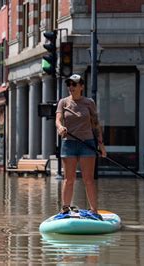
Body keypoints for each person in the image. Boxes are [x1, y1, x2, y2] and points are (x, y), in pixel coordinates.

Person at [54, 74, 107, 220]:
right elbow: (58, 120)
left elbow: (96, 124)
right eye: (69, 84)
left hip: (87, 143)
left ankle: (94, 211)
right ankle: (65, 210)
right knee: (68, 179)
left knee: (88, 179)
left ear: (81, 87)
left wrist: (101, 145)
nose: (71, 87)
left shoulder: (89, 102)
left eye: (74, 84)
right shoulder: (63, 102)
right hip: (69, 143)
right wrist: (60, 127)